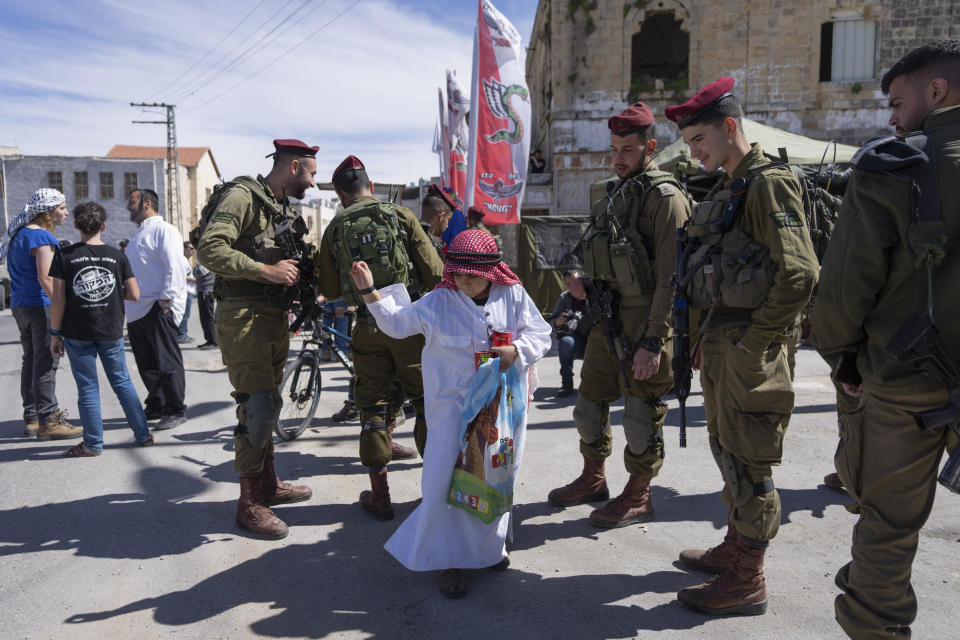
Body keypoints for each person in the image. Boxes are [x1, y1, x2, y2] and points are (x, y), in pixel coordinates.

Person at [811, 39, 960, 639]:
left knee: (887, 528)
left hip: (905, 388)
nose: (892, 118)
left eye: (898, 102)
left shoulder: (893, 166)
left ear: (937, 91)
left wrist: (843, 357)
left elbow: (846, 288)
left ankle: (875, 629)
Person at [665, 78, 818, 616]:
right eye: (688, 143)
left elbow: (800, 273)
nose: (694, 150)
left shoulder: (768, 183)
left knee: (750, 459)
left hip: (750, 348)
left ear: (731, 127)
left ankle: (747, 578)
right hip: (724, 342)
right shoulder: (732, 185)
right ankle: (736, 544)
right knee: (727, 446)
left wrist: (754, 344)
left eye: (700, 137)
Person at [351, 228, 552, 598]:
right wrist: (368, 290)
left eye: (471, 275)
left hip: (501, 412)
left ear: (492, 270)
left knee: (495, 477)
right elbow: (397, 325)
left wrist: (518, 351)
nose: (463, 282)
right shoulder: (439, 300)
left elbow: (541, 334)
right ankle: (450, 559)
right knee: (444, 481)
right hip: (451, 415)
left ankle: (489, 550)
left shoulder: (514, 295)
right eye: (456, 273)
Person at [547, 102, 690, 529]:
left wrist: (653, 342)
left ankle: (639, 494)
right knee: (589, 407)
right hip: (606, 319)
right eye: (614, 149)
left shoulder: (666, 199)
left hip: (649, 320)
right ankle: (594, 479)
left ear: (651, 146)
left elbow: (672, 277)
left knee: (641, 415)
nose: (618, 158)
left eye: (628, 149)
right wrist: (583, 282)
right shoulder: (615, 194)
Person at [196, 138, 316, 540]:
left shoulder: (279, 207)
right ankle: (249, 503)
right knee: (259, 406)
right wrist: (266, 272)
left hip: (271, 315)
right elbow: (209, 249)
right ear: (294, 166)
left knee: (271, 400)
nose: (313, 184)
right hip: (243, 314)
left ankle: (268, 483)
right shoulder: (242, 195)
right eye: (312, 174)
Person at [315, 155, 444, 520]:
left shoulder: (335, 226)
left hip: (369, 329)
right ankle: (434, 495)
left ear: (341, 194)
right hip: (411, 327)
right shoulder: (399, 215)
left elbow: (328, 287)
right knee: (425, 404)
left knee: (372, 410)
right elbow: (435, 273)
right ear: (370, 187)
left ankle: (381, 496)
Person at [48, 201, 153, 456]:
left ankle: (93, 444)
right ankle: (143, 434)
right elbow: (135, 294)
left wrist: (55, 333)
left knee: (87, 388)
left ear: (76, 225)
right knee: (123, 382)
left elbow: (58, 299)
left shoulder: (64, 256)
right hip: (110, 330)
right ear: (103, 226)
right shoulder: (118, 256)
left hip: (77, 332)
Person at [3, 189, 81, 440]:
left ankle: (33, 418)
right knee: (46, 361)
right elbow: (46, 277)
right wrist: (62, 307)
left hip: (21, 304)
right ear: (48, 211)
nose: (66, 213)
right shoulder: (41, 237)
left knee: (32, 360)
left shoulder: (20, 235)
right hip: (41, 305)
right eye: (62, 208)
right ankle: (49, 419)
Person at [125, 188, 188, 431]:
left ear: (147, 203)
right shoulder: (138, 235)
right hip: (137, 310)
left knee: (167, 362)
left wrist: (166, 301)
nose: (129, 207)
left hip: (157, 307)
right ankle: (157, 404)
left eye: (132, 203)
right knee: (148, 364)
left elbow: (175, 267)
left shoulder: (164, 230)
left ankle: (175, 409)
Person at [549, 268, 595, 397]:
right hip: (576, 339)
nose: (572, 287)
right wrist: (559, 321)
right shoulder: (565, 297)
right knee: (566, 342)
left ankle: (594, 385)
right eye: (568, 284)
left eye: (575, 283)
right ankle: (567, 384)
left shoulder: (593, 295)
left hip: (595, 338)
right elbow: (552, 323)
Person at [422, 184, 467, 250]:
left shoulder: (417, 238)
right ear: (440, 217)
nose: (447, 226)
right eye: (448, 220)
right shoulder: (424, 246)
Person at [193, 251, 218, 350]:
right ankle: (209, 339)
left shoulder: (209, 260)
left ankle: (213, 341)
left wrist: (196, 265)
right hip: (203, 291)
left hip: (207, 291)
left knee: (208, 316)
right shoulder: (205, 260)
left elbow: (198, 272)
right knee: (204, 317)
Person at [178, 241, 197, 344]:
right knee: (185, 314)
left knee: (186, 314)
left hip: (189, 290)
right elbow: (180, 274)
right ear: (184, 249)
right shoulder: (182, 260)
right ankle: (182, 335)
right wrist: (192, 279)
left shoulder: (186, 260)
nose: (193, 251)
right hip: (185, 290)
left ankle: (182, 333)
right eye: (190, 248)